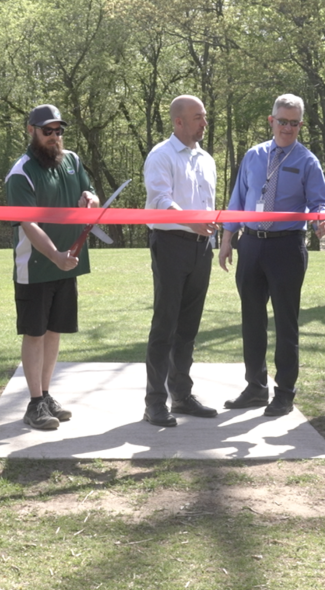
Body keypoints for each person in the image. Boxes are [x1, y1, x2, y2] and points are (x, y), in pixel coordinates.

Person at [218, 93, 325, 417]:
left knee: (286, 322)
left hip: (287, 247)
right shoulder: (253, 156)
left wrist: (323, 219)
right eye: (282, 121)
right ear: (271, 121)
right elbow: (238, 200)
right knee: (251, 320)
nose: (288, 128)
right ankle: (255, 387)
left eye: (294, 123)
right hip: (251, 244)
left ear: (300, 125)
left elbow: (322, 202)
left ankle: (284, 393)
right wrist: (227, 239)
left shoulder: (307, 161)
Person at [5, 104, 99, 431]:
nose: (55, 137)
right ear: (31, 131)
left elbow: (90, 194)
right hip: (36, 267)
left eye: (59, 131)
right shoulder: (21, 172)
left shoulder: (71, 160)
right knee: (35, 333)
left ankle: (45, 395)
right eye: (48, 131)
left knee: (54, 331)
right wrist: (55, 255)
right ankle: (33, 403)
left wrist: (90, 198)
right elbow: (28, 224)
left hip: (67, 262)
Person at [141, 95, 219, 427]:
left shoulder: (206, 159)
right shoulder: (161, 156)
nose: (204, 122)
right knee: (165, 325)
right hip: (171, 243)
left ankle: (182, 396)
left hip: (201, 247)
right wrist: (191, 222)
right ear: (179, 122)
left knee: (188, 328)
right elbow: (160, 200)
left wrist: (210, 233)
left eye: (204, 116)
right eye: (198, 117)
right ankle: (154, 402)